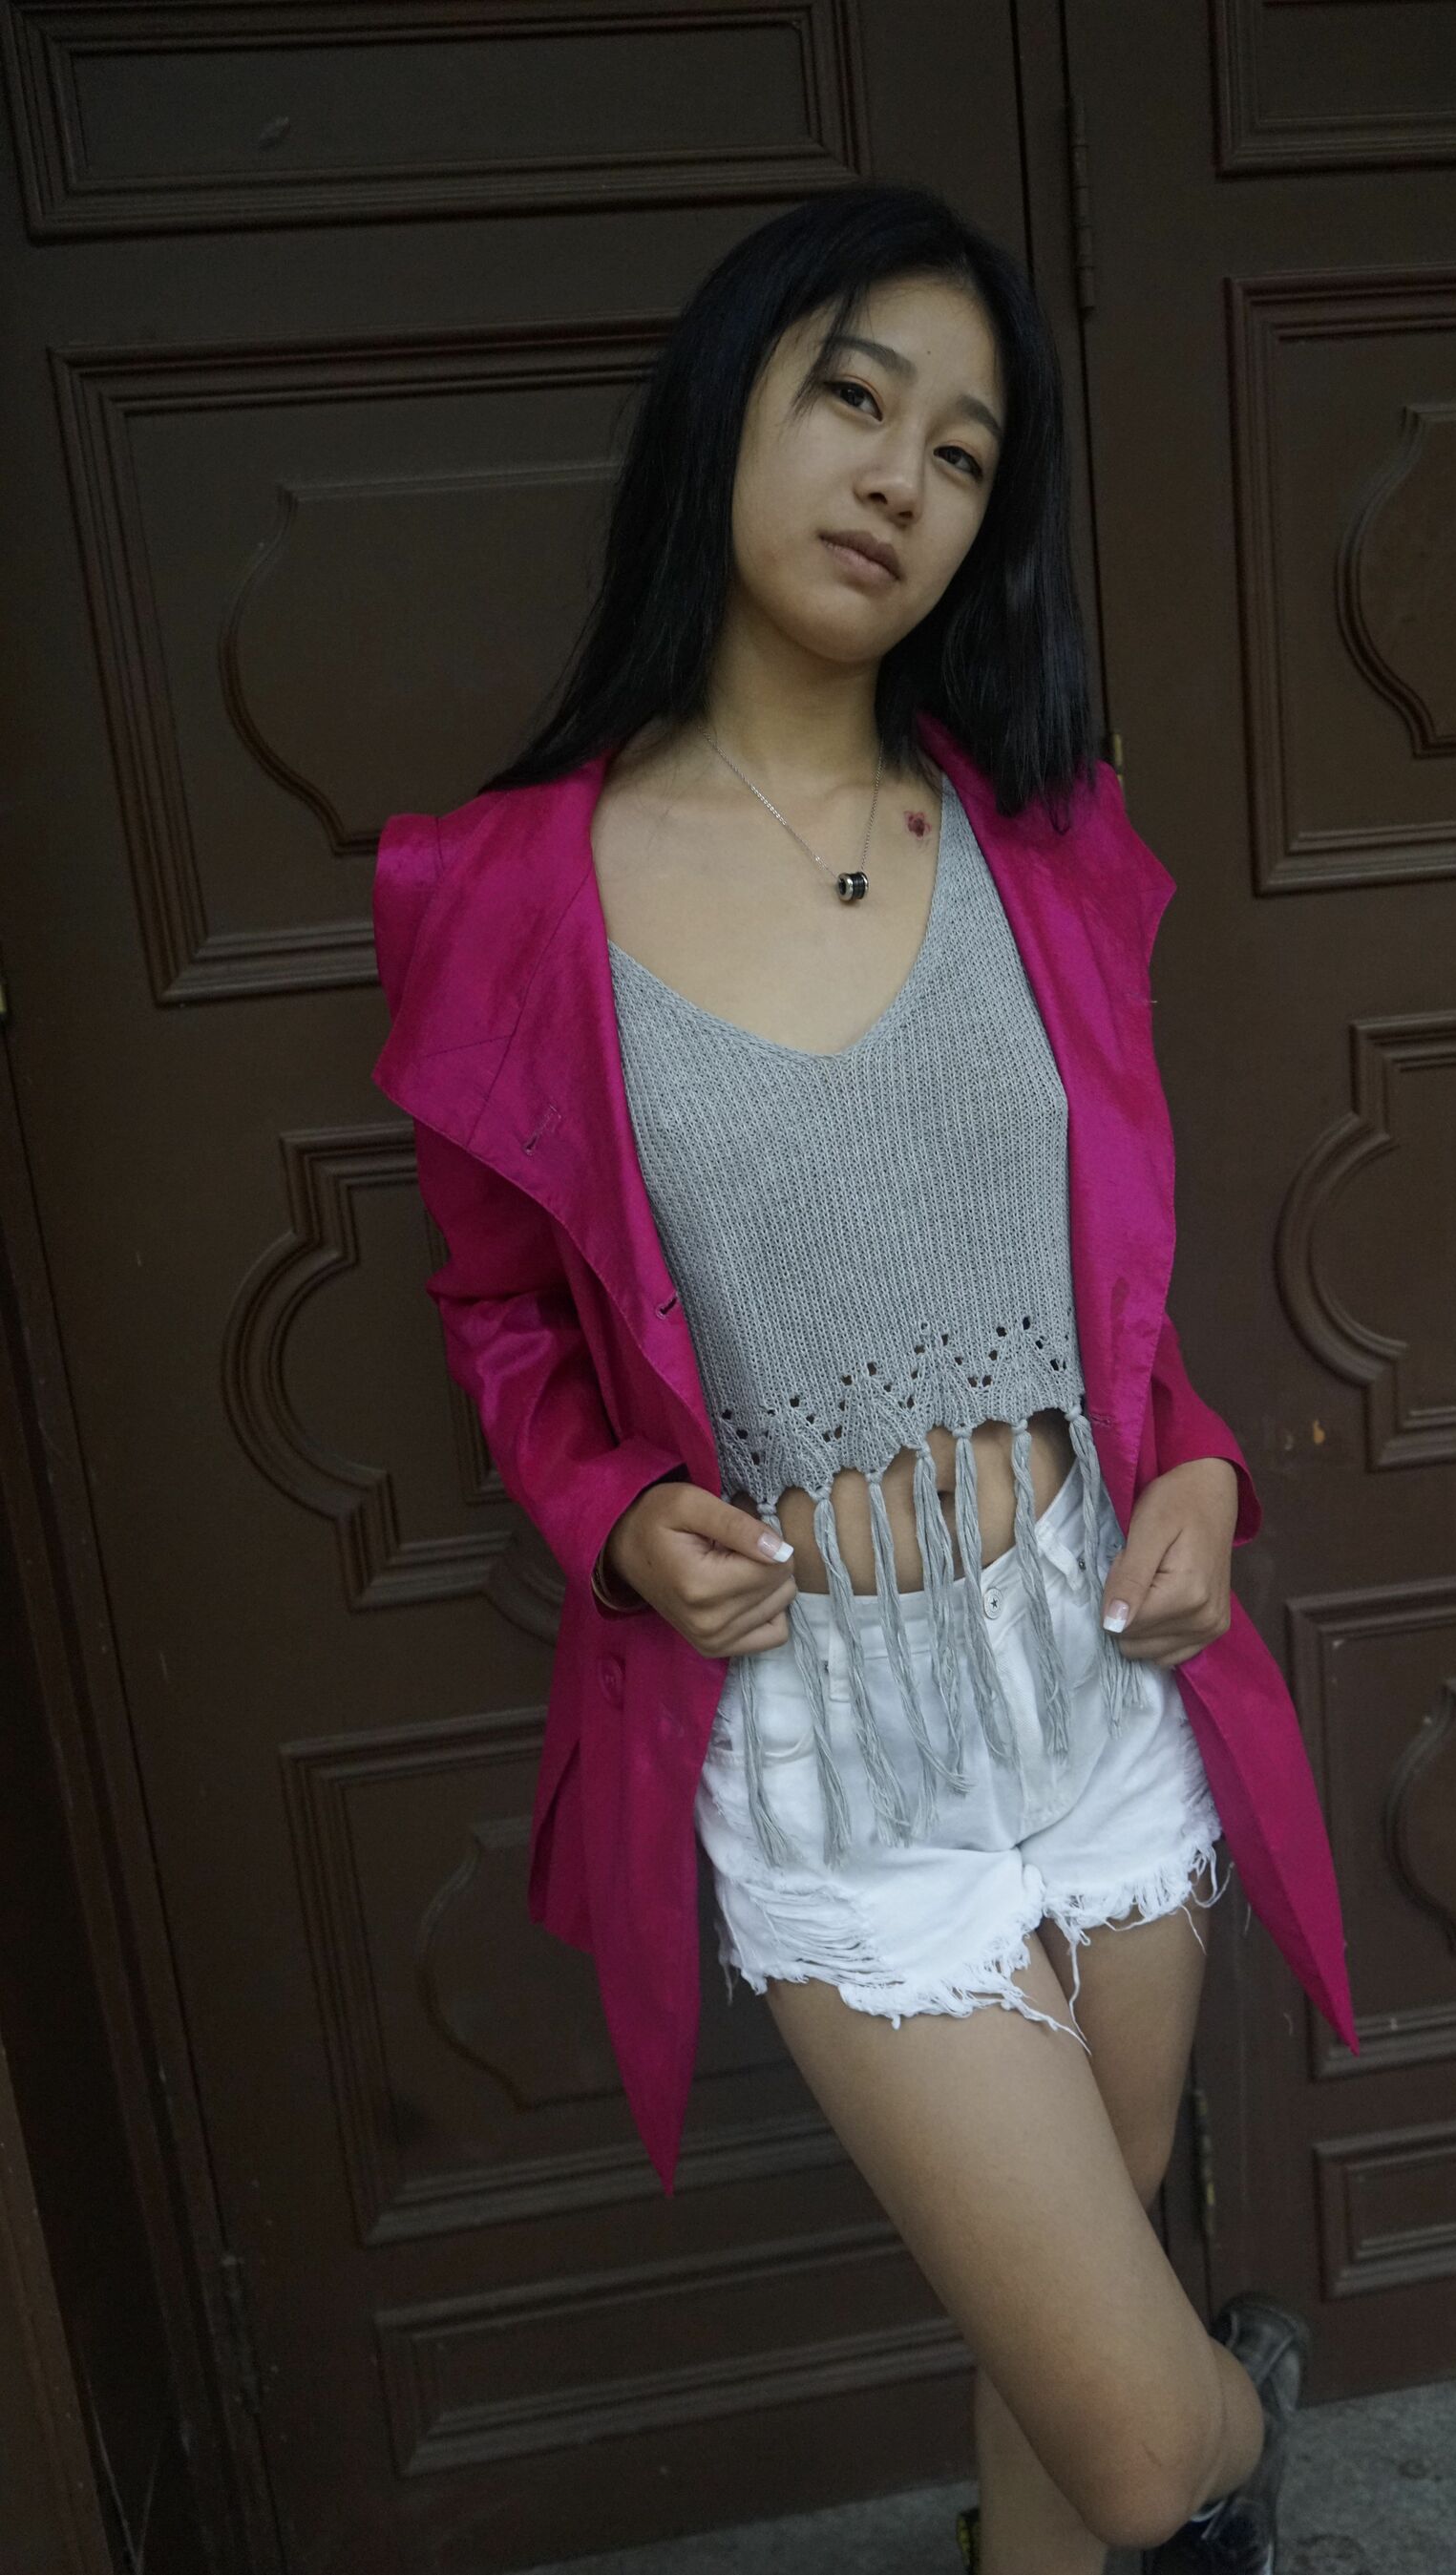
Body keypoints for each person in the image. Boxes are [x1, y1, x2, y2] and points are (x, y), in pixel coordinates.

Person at [375, 182, 1354, 2575]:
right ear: (729, 408)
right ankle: (1244, 2423)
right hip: (830, 1733)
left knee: (1073, 2295)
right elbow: (502, 1314)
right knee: (1148, 2438)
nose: (901, 477)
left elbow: (1121, 1286)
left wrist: (1205, 1475)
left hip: (1093, 1665)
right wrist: (612, 1510)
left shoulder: (1045, 837)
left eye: (964, 451)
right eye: (852, 398)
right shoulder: (504, 893)